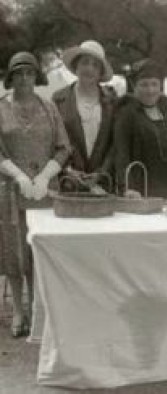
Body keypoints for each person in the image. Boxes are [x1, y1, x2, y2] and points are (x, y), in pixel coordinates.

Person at [0, 52, 71, 337]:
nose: (25, 79)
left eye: (30, 73)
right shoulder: (1, 108)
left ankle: (42, 310)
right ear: (11, 77)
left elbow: (64, 147)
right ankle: (19, 308)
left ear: (37, 77)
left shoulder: (49, 107)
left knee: (40, 250)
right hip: (12, 191)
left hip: (44, 191)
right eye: (19, 74)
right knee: (14, 251)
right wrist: (17, 174)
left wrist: (45, 175)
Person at [114, 59, 167, 198]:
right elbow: (121, 154)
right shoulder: (127, 114)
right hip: (142, 191)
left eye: (154, 84)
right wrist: (127, 187)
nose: (150, 90)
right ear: (134, 86)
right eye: (144, 85)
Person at [52, 40, 116, 193]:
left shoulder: (111, 102)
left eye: (95, 65)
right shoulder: (59, 99)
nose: (89, 69)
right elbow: (52, 141)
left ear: (101, 73)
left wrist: (101, 174)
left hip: (103, 185)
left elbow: (115, 145)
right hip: (69, 184)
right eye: (85, 63)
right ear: (76, 66)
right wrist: (67, 170)